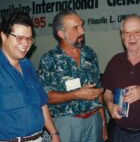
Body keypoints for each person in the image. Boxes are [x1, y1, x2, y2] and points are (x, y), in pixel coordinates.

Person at [38, 10, 107, 142]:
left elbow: (98, 92)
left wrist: (103, 122)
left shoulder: (90, 54)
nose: (82, 31)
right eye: (76, 28)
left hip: (94, 120)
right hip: (67, 123)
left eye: (82, 25)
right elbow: (45, 97)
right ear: (61, 34)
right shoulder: (49, 59)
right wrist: (77, 94)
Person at [0, 11, 60, 142]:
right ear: (3, 36)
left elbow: (42, 104)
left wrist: (54, 133)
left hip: (39, 138)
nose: (25, 43)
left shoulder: (28, 66)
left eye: (29, 39)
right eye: (19, 37)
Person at [102, 14, 140, 142]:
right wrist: (110, 104)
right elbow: (107, 92)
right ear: (122, 36)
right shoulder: (115, 61)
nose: (131, 37)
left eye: (136, 32)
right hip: (119, 133)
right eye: (126, 32)